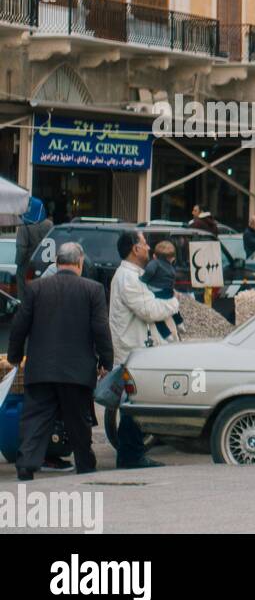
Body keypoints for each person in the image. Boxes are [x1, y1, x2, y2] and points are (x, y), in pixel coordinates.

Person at [6, 243, 113, 480]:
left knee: (35, 419)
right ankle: (85, 463)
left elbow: (19, 326)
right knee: (78, 421)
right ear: (79, 262)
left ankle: (26, 465)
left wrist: (14, 357)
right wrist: (106, 361)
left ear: (57, 261)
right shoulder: (92, 289)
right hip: (77, 371)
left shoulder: (36, 288)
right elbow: (100, 329)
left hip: (40, 368)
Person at [109, 229, 180, 470]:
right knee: (133, 404)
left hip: (139, 351)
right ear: (134, 249)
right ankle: (130, 457)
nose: (149, 248)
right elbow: (150, 310)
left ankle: (133, 454)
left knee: (136, 403)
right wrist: (174, 302)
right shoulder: (128, 278)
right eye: (144, 243)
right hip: (133, 352)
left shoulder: (137, 275)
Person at [139, 239, 185, 341]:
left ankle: (166, 335)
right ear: (172, 258)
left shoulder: (155, 263)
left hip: (157, 292)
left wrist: (143, 279)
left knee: (156, 316)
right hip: (168, 292)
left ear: (155, 255)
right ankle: (180, 323)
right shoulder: (171, 268)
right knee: (174, 309)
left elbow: (149, 271)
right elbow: (172, 280)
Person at [14, 196, 54, 298]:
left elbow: (21, 250)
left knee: (24, 295)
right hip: (46, 266)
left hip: (27, 266)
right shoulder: (49, 224)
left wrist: (19, 265)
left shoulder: (24, 226)